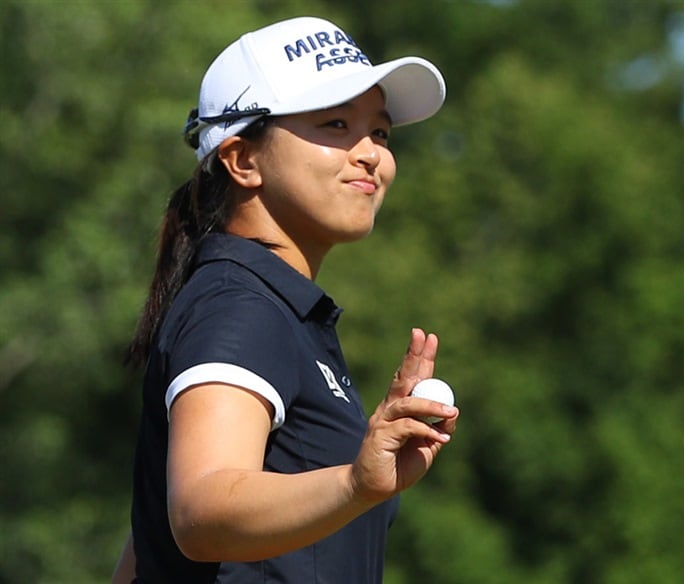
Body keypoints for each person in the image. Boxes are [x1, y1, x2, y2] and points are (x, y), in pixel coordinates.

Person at [111, 16, 459, 583]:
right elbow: (201, 513)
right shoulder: (240, 304)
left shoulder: (262, 301)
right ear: (242, 159)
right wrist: (354, 483)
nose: (371, 153)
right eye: (336, 123)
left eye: (381, 132)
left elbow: (149, 541)